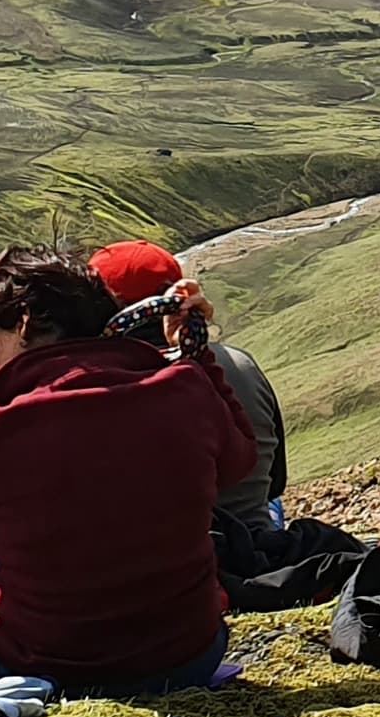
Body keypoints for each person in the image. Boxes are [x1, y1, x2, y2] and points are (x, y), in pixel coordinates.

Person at [0, 247, 257, 697]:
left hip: (56, 670)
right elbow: (238, 462)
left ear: (25, 324)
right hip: (190, 656)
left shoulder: (5, 426)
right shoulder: (184, 386)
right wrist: (195, 356)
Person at [90, 239, 311, 592]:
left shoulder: (99, 385)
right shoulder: (239, 362)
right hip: (256, 543)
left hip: (170, 567)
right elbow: (276, 480)